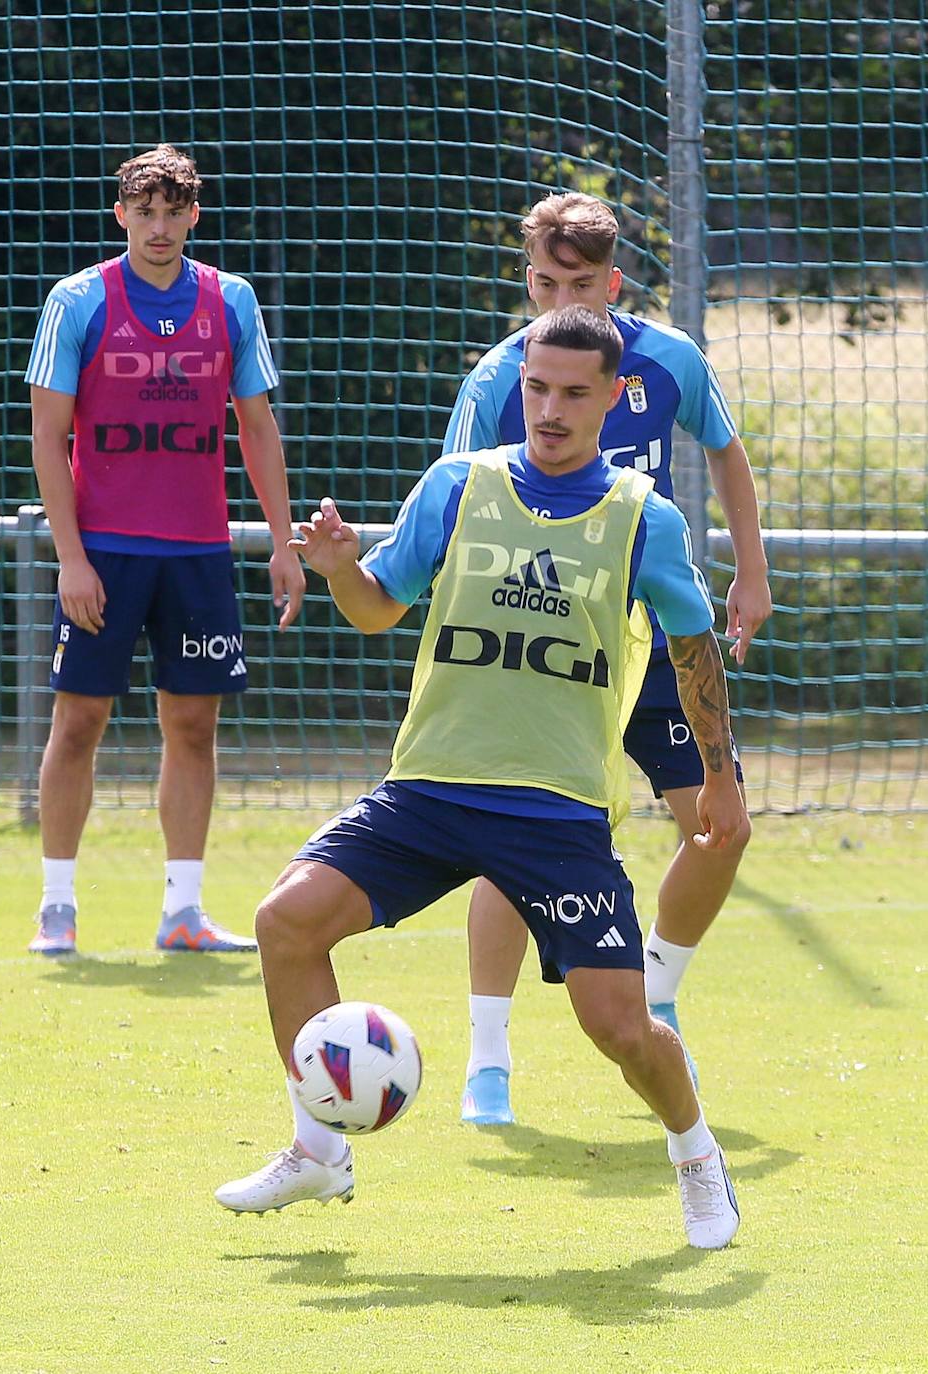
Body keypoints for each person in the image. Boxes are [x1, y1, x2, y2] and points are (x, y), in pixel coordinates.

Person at [214, 306, 749, 1250]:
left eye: (573, 392)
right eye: (537, 387)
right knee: (285, 921)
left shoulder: (643, 520)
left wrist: (721, 780)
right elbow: (380, 609)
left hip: (555, 811)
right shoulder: (459, 485)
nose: (548, 408)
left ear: (613, 397)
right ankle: (317, 1148)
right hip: (429, 788)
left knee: (622, 1028)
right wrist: (340, 570)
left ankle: (697, 1155)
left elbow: (695, 648)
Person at [445, 193, 771, 1124]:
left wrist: (750, 574)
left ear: (613, 283)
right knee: (505, 847)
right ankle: (489, 1059)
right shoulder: (499, 378)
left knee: (723, 825)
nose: (556, 301)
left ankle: (657, 993)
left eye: (578, 285)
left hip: (656, 640)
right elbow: (459, 502)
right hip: (540, 640)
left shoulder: (669, 360)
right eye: (543, 282)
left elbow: (726, 450)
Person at [24, 144, 304, 956]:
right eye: (142, 211)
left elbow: (256, 428)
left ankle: (184, 912)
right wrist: (70, 557)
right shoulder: (77, 300)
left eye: (171, 211)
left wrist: (283, 542)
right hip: (104, 554)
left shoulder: (231, 299)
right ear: (122, 217)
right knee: (78, 722)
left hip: (197, 554)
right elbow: (48, 437)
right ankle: (57, 907)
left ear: (193, 216)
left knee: (193, 725)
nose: (158, 226)